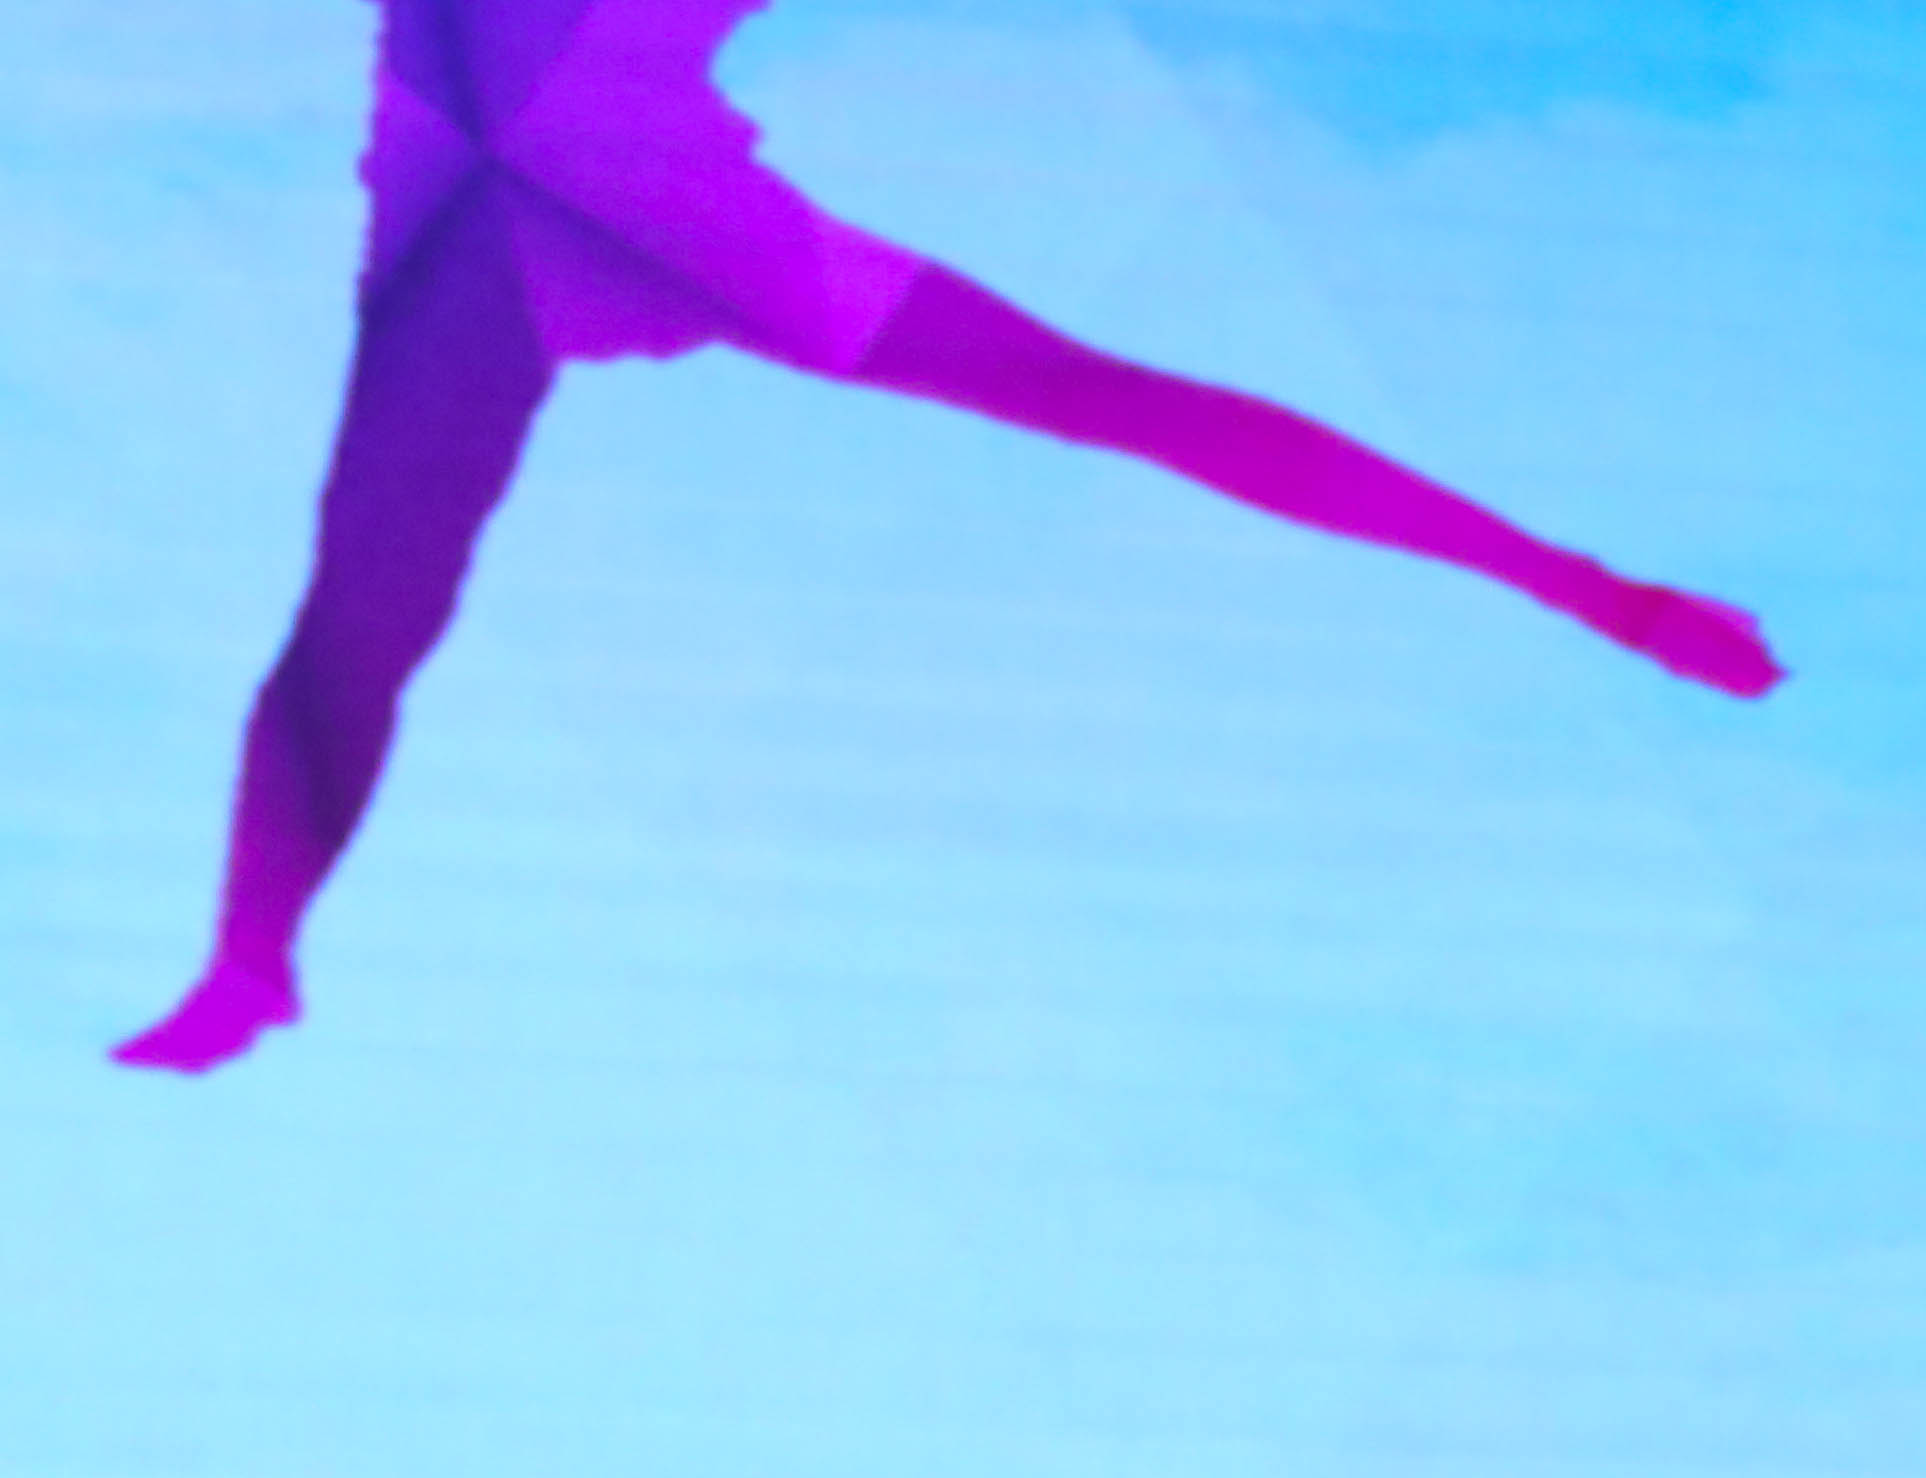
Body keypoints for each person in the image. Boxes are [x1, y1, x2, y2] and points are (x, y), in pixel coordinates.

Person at [120, 0, 1779, 1075]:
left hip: (599, 213)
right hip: (502, 245)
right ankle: (252, 961)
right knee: (355, 629)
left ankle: (1596, 593)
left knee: (1100, 396)